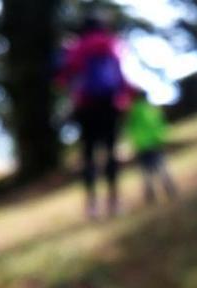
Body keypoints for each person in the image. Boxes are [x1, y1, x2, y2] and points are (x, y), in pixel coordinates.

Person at [56, 16, 131, 219]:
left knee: (88, 156)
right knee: (111, 152)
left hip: (86, 108)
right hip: (110, 105)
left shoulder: (76, 48)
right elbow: (121, 76)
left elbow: (63, 78)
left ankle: (92, 206)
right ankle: (114, 201)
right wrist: (124, 100)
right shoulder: (112, 44)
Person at [125, 89, 177, 204]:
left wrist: (135, 142)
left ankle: (151, 196)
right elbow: (160, 125)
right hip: (155, 144)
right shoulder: (152, 109)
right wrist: (161, 138)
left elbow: (130, 129)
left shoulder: (132, 111)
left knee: (146, 173)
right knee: (162, 168)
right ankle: (169, 189)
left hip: (141, 147)